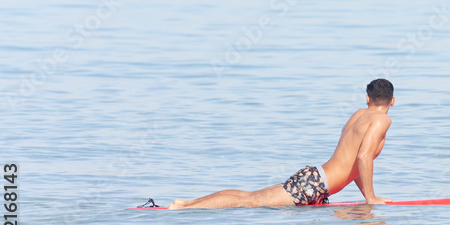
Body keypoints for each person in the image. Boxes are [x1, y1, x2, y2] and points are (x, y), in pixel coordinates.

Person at [167, 79, 394, 209]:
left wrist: (368, 197)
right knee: (251, 202)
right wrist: (372, 199)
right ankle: (186, 208)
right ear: (392, 101)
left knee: (250, 196)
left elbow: (353, 163)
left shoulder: (358, 114)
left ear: (367, 99)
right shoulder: (382, 120)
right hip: (315, 185)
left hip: (315, 176)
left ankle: (188, 202)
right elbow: (363, 157)